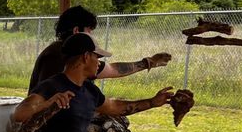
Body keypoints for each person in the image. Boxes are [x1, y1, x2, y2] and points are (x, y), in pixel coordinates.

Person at [12, 32, 176, 132]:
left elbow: (115, 107)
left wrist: (152, 102)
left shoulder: (89, 90)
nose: (99, 63)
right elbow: (19, 114)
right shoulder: (51, 86)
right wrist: (48, 104)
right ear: (85, 57)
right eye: (97, 57)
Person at [27, 5, 172, 93]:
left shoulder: (72, 54)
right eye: (89, 30)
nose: (92, 35)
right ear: (77, 31)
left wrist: (148, 62)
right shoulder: (58, 55)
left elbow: (113, 69)